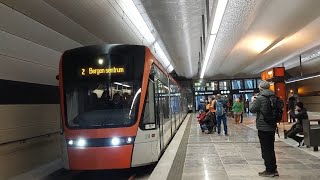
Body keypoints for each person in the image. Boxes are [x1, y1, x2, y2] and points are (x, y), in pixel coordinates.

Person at [250, 80, 279, 177]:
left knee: (265, 149)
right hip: (272, 125)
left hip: (263, 126)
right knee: (271, 148)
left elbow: (252, 110)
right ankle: (273, 169)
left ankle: (269, 170)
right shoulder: (273, 96)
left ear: (260, 88)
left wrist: (252, 101)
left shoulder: (260, 98)